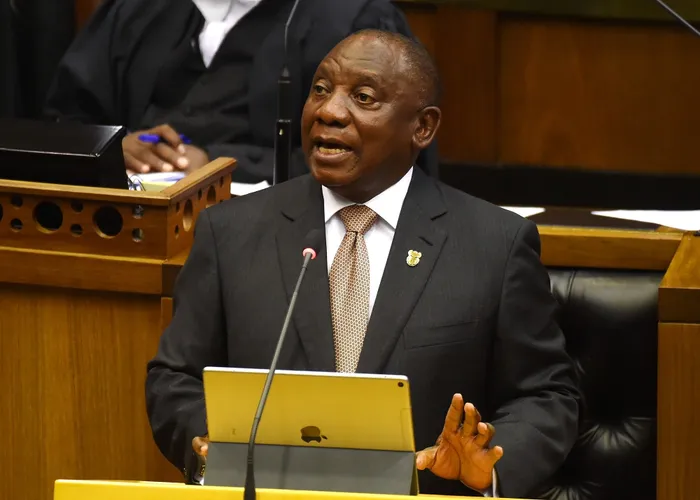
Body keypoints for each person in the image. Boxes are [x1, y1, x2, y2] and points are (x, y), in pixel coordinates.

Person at [145, 30, 580, 497]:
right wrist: (207, 439)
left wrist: (489, 463)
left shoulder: (494, 244)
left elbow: (546, 394)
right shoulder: (230, 232)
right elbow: (175, 378)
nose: (329, 111)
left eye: (363, 97)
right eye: (320, 90)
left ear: (423, 127)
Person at [43, 0, 437, 182]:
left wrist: (218, 165)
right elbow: (65, 123)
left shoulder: (354, 21)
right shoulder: (137, 9)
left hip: (276, 236)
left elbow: (384, 157)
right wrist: (113, 149)